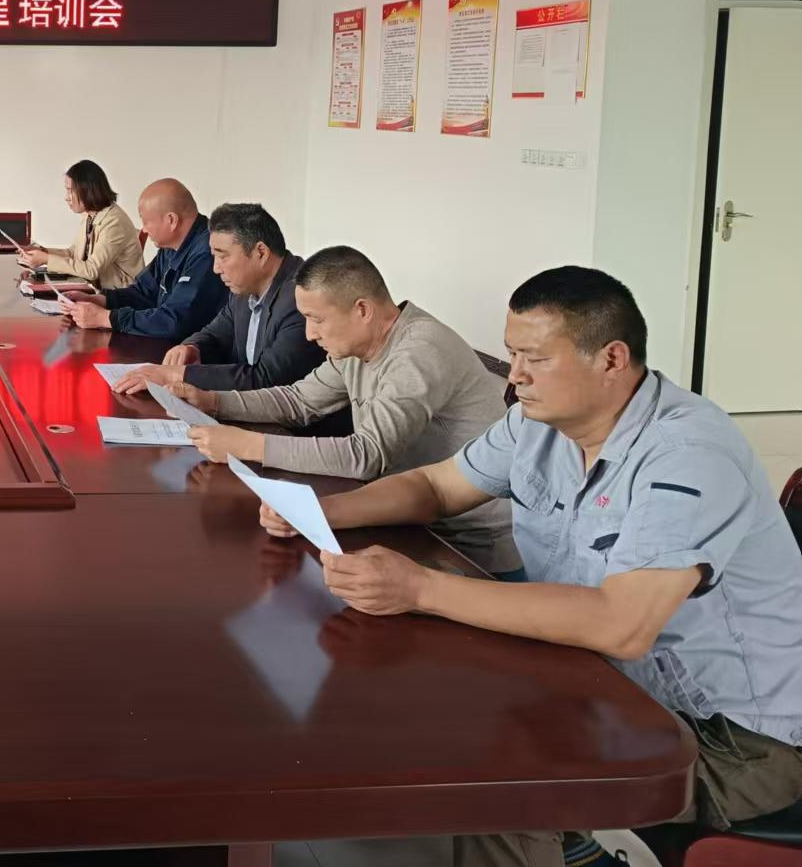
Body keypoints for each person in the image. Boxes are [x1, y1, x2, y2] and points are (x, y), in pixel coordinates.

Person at [257, 267, 802, 867]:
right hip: (605, 681)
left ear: (612, 359)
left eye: (535, 359)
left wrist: (419, 587)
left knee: (505, 775)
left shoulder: (688, 453)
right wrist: (321, 512)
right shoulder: (538, 424)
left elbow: (622, 624)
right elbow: (437, 487)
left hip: (733, 739)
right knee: (440, 694)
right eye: (512, 354)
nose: (514, 376)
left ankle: (558, 840)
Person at [181, 245, 518, 576]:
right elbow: (298, 401)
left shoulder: (419, 350)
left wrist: (247, 445)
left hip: (470, 547)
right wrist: (213, 401)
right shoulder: (354, 349)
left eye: (316, 320)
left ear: (362, 310)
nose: (309, 335)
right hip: (408, 516)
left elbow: (368, 454)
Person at [113, 203, 324, 396]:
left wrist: (176, 375)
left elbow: (266, 380)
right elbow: (215, 333)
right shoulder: (245, 288)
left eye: (223, 256)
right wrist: (192, 348)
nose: (216, 268)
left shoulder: (301, 298)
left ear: (261, 252)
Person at [59, 178, 224, 340]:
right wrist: (98, 300)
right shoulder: (171, 246)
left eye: (146, 222)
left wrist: (106, 318)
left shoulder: (208, 251)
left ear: (171, 220)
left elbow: (175, 320)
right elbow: (143, 293)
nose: (143, 230)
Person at [16, 159, 143, 289]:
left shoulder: (114, 222)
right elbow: (74, 253)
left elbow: (91, 270)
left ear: (87, 190)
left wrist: (46, 259)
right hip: (94, 287)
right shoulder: (91, 215)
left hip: (118, 294)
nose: (66, 197)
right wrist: (43, 252)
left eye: (70, 190)